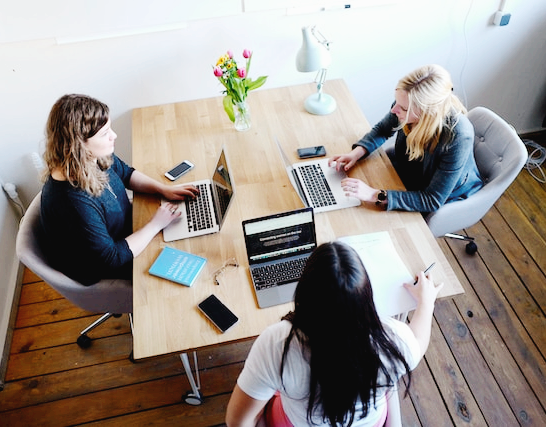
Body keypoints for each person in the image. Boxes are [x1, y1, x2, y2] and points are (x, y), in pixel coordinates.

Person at [226, 241, 443, 427]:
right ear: (366, 296)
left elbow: (236, 421)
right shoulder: (393, 339)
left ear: (304, 292)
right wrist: (426, 302)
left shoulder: (277, 344)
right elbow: (419, 342)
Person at [39, 94, 199, 285]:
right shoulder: (72, 203)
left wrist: (162, 189)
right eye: (105, 134)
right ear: (78, 144)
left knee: (191, 233)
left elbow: (125, 173)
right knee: (193, 254)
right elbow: (111, 259)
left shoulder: (88, 158)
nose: (113, 136)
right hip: (107, 266)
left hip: (127, 231)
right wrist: (156, 225)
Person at [331, 64, 483, 213]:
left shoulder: (458, 137)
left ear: (428, 113)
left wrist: (373, 194)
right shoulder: (405, 104)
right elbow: (383, 130)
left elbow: (432, 199)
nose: (394, 110)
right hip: (409, 172)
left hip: (440, 194)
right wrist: (356, 153)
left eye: (403, 108)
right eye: (396, 102)